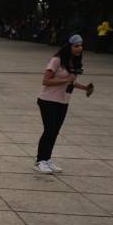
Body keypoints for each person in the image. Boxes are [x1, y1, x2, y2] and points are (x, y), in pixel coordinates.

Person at [35, 35, 94, 174]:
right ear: (69, 46)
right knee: (49, 130)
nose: (80, 48)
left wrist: (85, 87)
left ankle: (47, 159)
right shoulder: (56, 60)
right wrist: (66, 80)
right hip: (48, 100)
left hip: (63, 101)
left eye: (81, 45)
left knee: (55, 132)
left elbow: (70, 82)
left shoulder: (73, 62)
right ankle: (40, 161)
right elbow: (46, 81)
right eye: (76, 46)